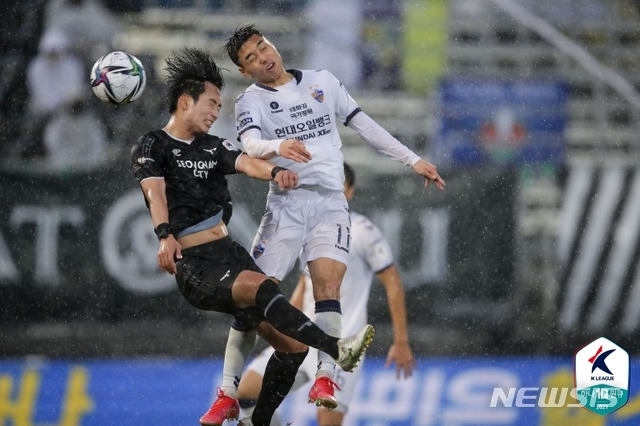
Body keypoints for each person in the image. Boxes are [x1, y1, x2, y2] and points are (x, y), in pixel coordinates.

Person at [129, 48, 374, 426]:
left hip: (228, 253)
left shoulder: (213, 146)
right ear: (184, 101)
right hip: (197, 265)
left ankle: (252, 421)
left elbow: (245, 161)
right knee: (261, 288)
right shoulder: (153, 145)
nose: (216, 112)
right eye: (211, 104)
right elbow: (155, 193)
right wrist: (164, 235)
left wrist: (275, 172)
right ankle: (334, 348)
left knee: (291, 350)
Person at [211, 24, 445, 418]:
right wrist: (278, 146)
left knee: (327, 285)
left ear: (272, 43)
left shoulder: (322, 82)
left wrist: (413, 159)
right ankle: (227, 391)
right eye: (250, 58)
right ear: (244, 71)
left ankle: (325, 374)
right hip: (286, 205)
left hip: (330, 204)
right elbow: (250, 144)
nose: (262, 57)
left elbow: (365, 125)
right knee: (251, 297)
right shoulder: (250, 102)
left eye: (262, 47)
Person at [237, 162, 417, 425]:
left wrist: (401, 341)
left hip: (341, 345)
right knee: (246, 394)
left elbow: (393, 282)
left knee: (327, 421)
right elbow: (305, 285)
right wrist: (283, 329)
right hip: (305, 338)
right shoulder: (308, 227)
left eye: (339, 186)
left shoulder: (363, 230)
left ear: (350, 192)